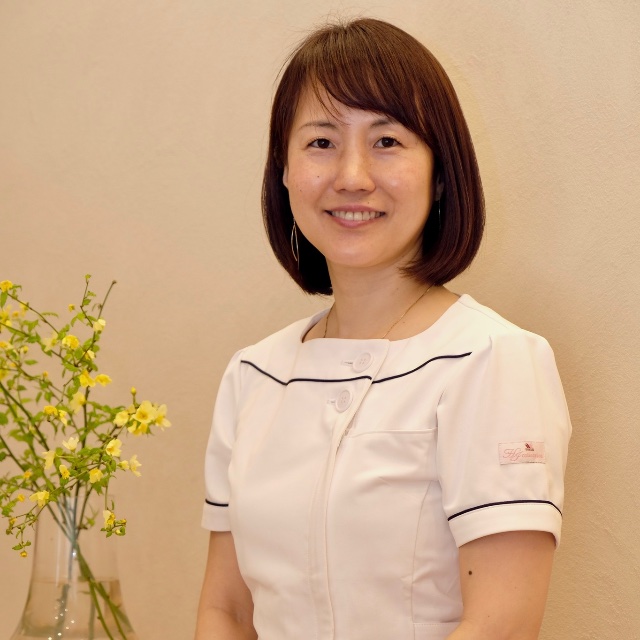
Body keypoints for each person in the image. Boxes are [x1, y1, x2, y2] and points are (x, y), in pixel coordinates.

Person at [195, 17, 571, 640]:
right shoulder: (254, 374)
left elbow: (501, 624)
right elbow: (226, 611)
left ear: (441, 173)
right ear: (283, 171)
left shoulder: (492, 359)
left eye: (387, 141)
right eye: (321, 142)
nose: (352, 176)